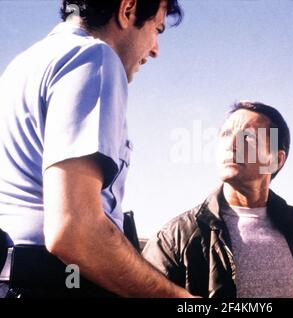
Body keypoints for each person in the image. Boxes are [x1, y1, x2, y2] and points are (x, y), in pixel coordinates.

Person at [0, 0, 193, 297]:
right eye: (157, 29)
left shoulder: (21, 66)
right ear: (128, 10)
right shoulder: (95, 56)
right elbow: (75, 231)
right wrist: (179, 298)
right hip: (58, 286)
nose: (155, 49)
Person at [142, 101, 293, 298]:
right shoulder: (176, 236)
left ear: (276, 160)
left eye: (248, 137)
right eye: (226, 134)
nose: (232, 144)